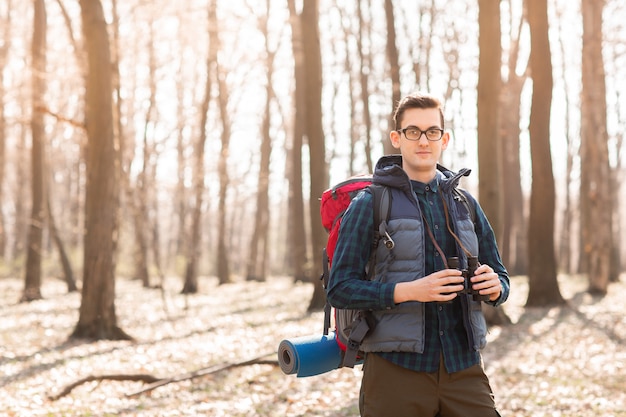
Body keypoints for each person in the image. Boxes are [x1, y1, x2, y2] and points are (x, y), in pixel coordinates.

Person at [327, 91, 509, 417]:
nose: (423, 140)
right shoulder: (370, 203)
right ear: (397, 138)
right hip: (395, 371)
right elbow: (340, 288)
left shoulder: (466, 205)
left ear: (445, 138)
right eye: (413, 131)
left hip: (464, 368)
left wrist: (496, 287)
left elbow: (501, 275)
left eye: (432, 131)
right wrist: (410, 291)